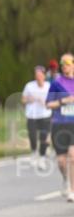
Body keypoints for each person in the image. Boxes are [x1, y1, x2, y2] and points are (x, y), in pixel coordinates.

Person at [46, 53, 74, 202]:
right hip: (59, 123)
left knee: (73, 155)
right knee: (61, 161)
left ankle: (71, 189)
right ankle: (65, 179)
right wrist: (63, 101)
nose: (65, 67)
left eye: (68, 64)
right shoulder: (56, 83)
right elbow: (48, 104)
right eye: (63, 64)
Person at [22, 65, 52, 170]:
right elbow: (23, 100)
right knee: (33, 138)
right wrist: (30, 99)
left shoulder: (49, 86)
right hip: (32, 116)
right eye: (36, 75)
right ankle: (34, 153)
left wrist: (46, 102)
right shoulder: (29, 86)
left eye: (40, 75)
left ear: (44, 75)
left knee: (44, 138)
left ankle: (42, 159)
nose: (38, 77)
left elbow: (53, 100)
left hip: (45, 115)